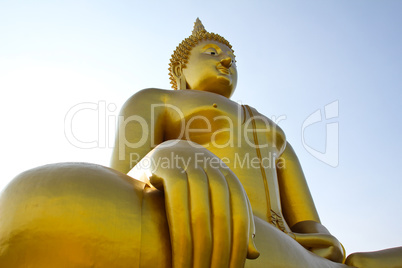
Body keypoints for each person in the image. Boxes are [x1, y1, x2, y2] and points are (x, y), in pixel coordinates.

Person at [0, 18, 400, 268]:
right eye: (212, 52)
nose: (226, 61)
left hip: (274, 248)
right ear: (181, 72)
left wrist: (321, 251)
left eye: (231, 56)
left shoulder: (269, 130)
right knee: (38, 203)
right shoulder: (156, 100)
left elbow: (311, 226)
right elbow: (124, 180)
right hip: (195, 227)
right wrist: (168, 154)